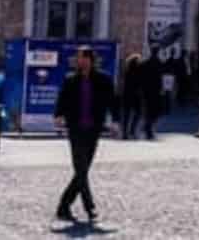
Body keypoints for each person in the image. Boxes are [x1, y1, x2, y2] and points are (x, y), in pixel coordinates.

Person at [55, 46, 116, 225]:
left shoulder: (103, 79)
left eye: (81, 57)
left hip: (93, 128)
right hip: (75, 128)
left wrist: (116, 120)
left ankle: (63, 206)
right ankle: (90, 207)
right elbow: (62, 99)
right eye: (77, 58)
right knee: (81, 168)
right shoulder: (70, 80)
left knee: (83, 170)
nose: (78, 61)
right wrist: (58, 115)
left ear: (90, 59)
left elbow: (112, 100)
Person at [119, 53, 145, 140]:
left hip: (127, 94)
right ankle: (132, 131)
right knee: (137, 113)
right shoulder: (139, 70)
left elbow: (124, 83)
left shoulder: (127, 70)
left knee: (126, 114)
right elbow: (140, 83)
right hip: (135, 95)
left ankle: (125, 133)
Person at [137, 52, 162, 139]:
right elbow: (160, 77)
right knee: (153, 111)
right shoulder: (159, 63)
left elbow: (140, 76)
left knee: (147, 110)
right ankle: (149, 129)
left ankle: (148, 128)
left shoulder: (144, 63)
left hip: (146, 90)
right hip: (155, 91)